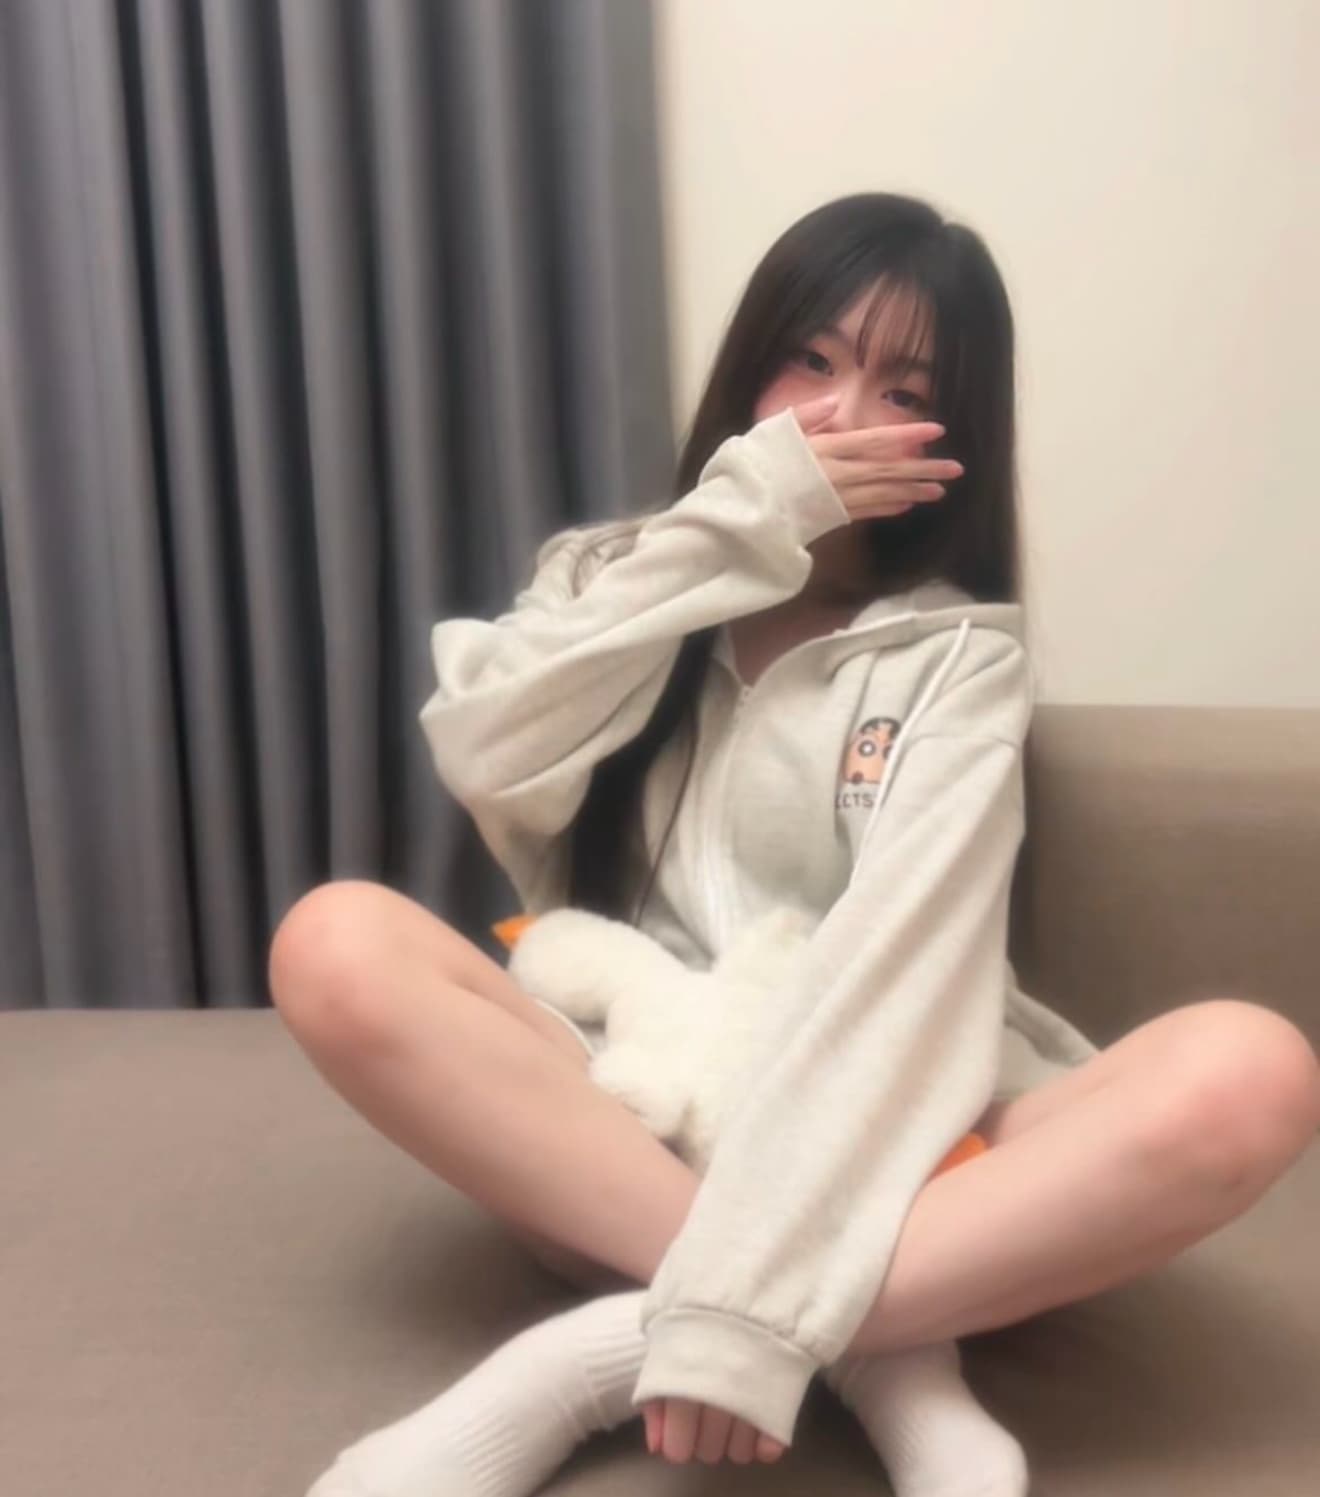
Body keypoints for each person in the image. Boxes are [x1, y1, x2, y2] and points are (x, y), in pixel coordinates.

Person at [269, 194, 1320, 1497]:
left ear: (952, 437)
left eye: (901, 390)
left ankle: (605, 1355)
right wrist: (746, 520)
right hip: (627, 1118)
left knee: (1252, 1072)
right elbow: (483, 749)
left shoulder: (955, 658)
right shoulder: (611, 575)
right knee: (333, 942)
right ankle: (883, 1351)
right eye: (812, 361)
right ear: (751, 368)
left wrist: (747, 1299)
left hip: (894, 1139)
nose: (838, 415)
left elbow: (909, 962)